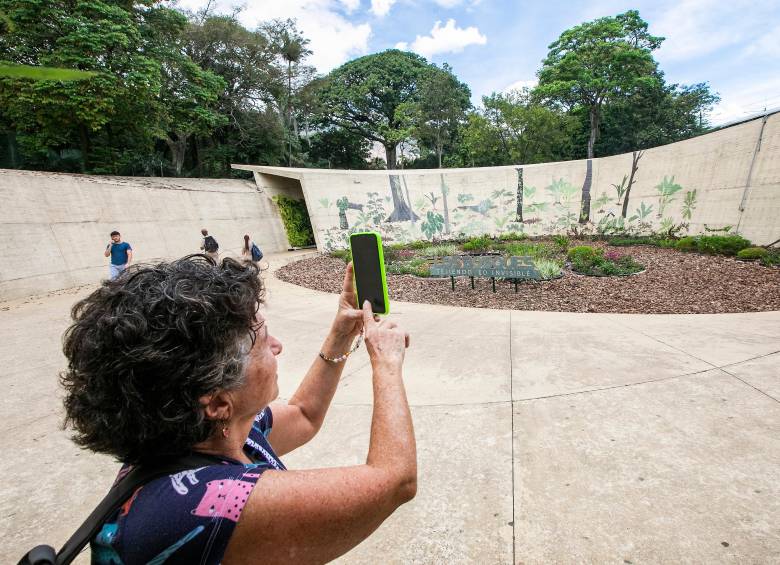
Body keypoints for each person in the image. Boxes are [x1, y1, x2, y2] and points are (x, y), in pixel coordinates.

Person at [61, 255, 415, 564]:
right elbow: (394, 480)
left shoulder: (206, 431)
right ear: (216, 402)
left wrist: (341, 333)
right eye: (262, 342)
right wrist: (386, 362)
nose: (277, 346)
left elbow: (305, 414)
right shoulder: (205, 503)